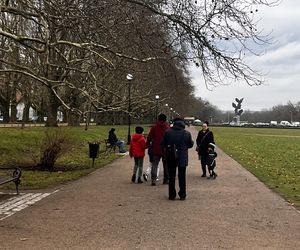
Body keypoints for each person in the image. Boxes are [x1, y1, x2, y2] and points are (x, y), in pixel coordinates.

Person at [160, 117, 194, 200]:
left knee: (171, 177)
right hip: (182, 157)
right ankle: (182, 194)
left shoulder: (168, 132)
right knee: (182, 177)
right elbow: (190, 144)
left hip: (171, 156)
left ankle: (172, 195)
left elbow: (162, 143)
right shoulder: (186, 133)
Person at [147, 113, 170, 186]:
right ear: (165, 119)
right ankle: (166, 179)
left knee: (155, 164)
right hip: (165, 149)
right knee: (166, 165)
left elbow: (149, 137)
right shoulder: (167, 127)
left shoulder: (154, 127)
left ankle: (153, 179)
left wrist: (148, 143)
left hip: (156, 148)